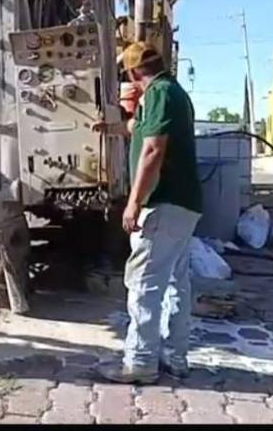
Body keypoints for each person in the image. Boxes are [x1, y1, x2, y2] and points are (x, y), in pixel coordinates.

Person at [97, 42, 203, 385]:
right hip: (185, 206)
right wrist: (112, 128)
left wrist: (134, 202)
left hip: (163, 204)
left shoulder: (156, 93)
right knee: (175, 283)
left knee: (144, 284)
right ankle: (176, 357)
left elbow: (153, 149)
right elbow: (139, 130)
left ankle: (140, 362)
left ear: (133, 73)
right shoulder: (174, 93)